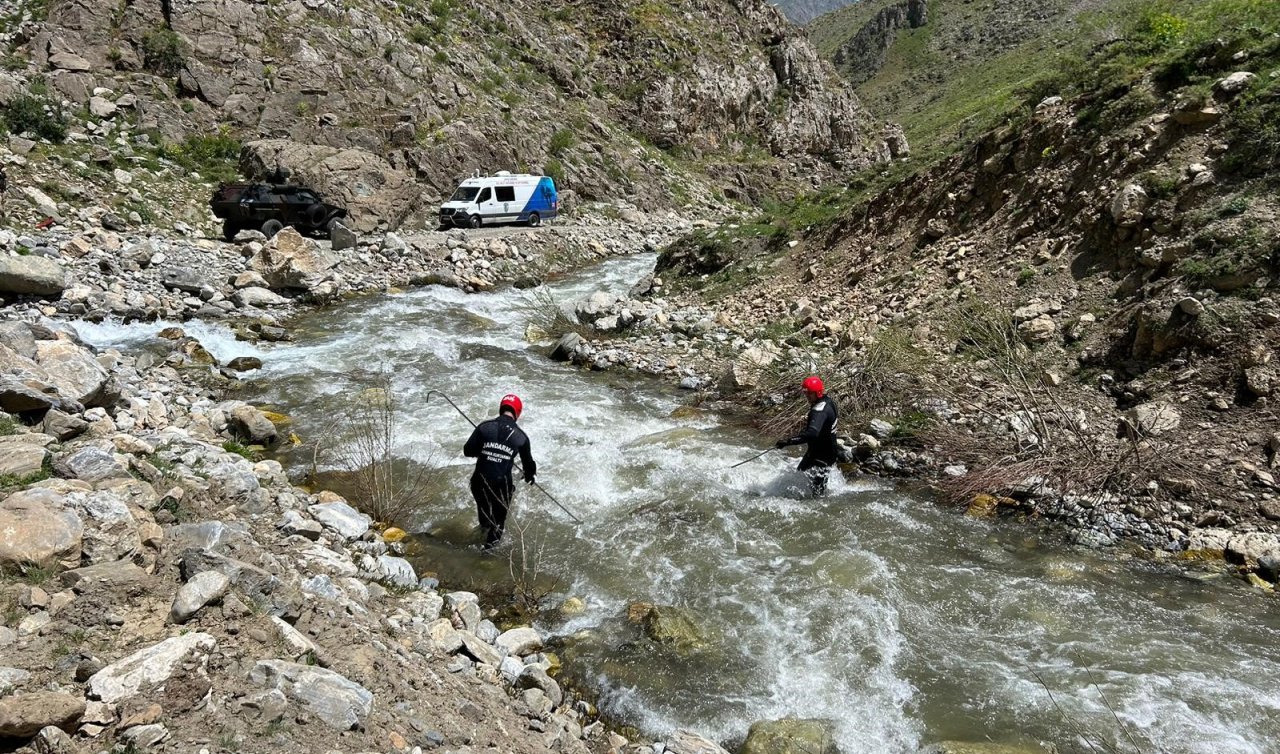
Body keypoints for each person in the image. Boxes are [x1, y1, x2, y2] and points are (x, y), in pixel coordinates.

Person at [463, 394, 537, 548]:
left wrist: (486, 450)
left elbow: (467, 450)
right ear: (518, 413)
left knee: (485, 516)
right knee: (498, 524)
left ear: (500, 408)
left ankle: (482, 532)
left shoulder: (484, 427)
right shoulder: (521, 437)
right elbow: (529, 468)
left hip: (479, 482)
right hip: (501, 486)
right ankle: (486, 558)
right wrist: (530, 476)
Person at [775, 376, 839, 495]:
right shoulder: (828, 401)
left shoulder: (819, 410)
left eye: (810, 393)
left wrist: (788, 441)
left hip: (823, 455)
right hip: (819, 451)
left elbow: (812, 433)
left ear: (818, 393)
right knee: (799, 475)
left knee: (817, 492)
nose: (807, 396)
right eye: (806, 393)